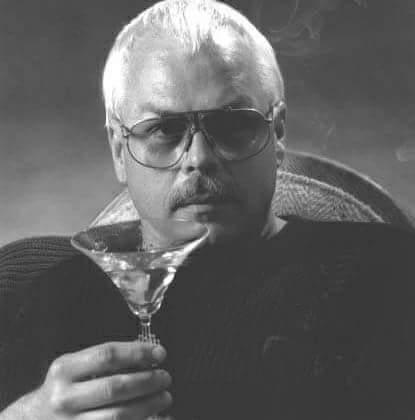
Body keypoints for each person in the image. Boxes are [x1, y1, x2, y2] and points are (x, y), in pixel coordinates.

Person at [1, 0, 415, 419]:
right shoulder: (40, 299)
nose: (199, 158)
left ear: (277, 134)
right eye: (164, 129)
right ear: (119, 152)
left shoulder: (392, 273)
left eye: (232, 124)